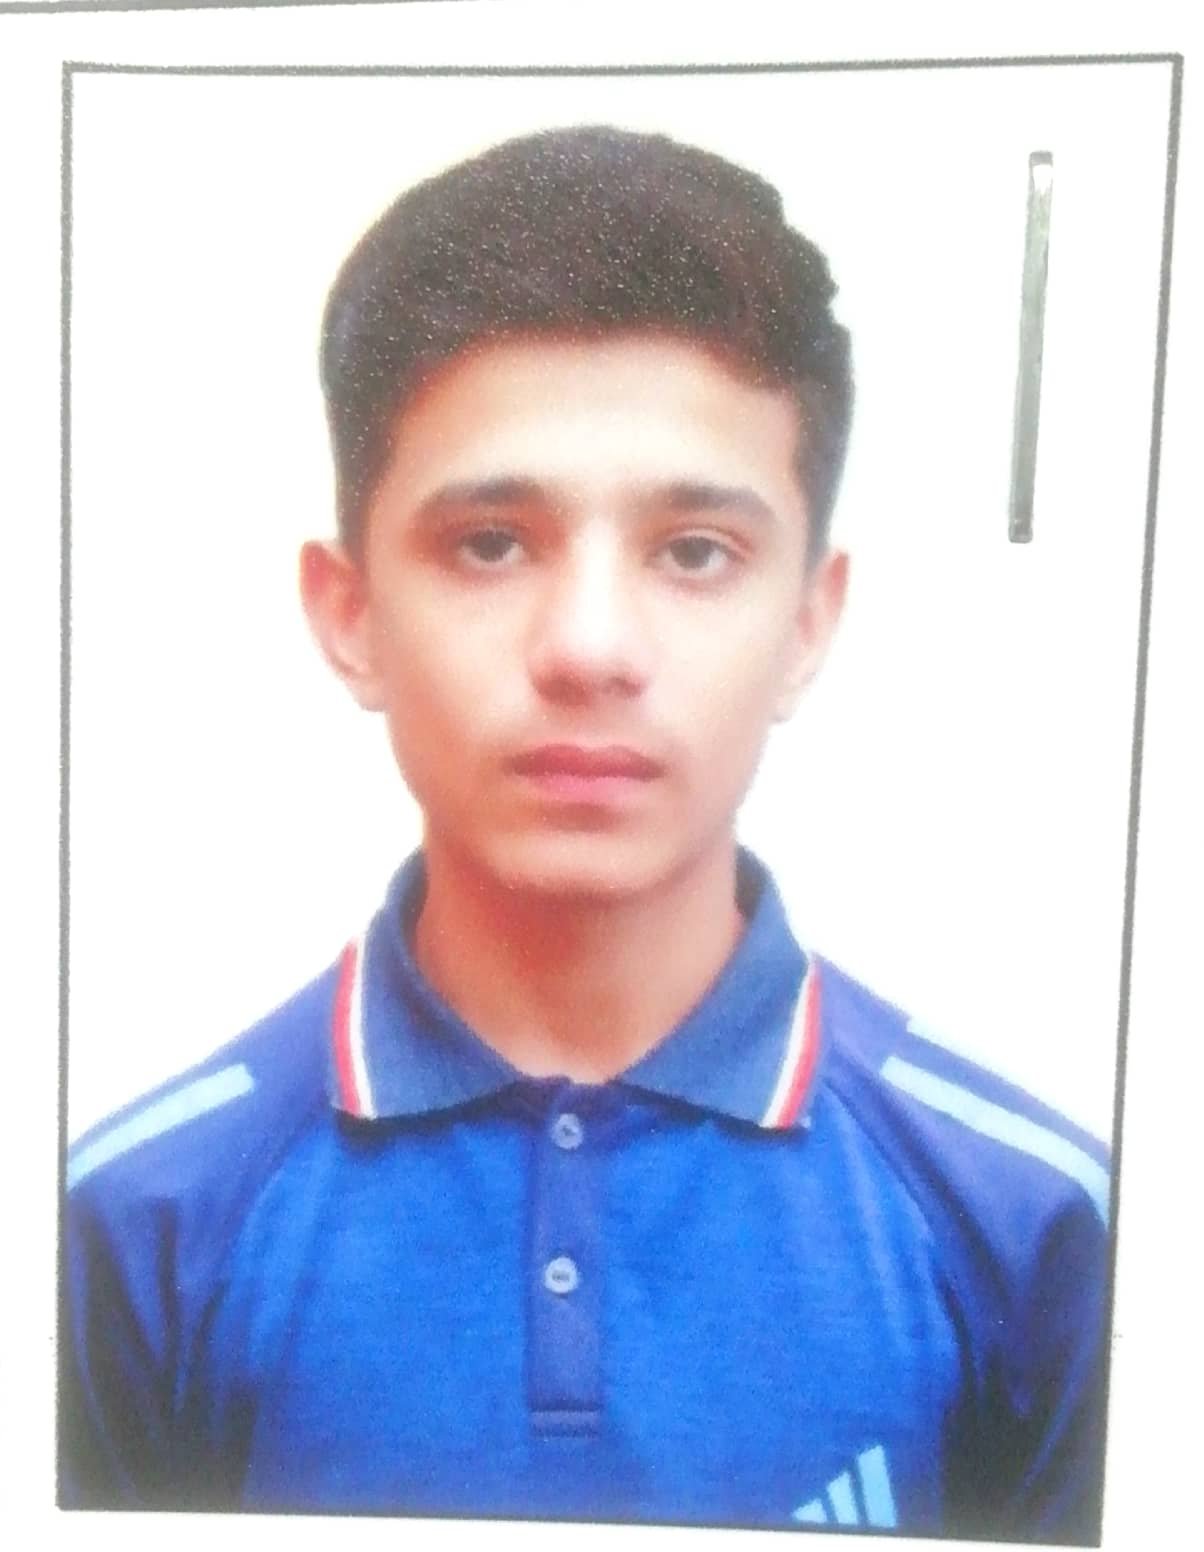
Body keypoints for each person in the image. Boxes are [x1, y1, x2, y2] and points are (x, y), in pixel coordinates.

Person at [62, 124, 1112, 1540]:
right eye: (491, 542)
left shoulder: (1042, 1226)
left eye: (696, 552)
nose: (591, 648)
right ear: (350, 614)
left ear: (809, 626)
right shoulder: (128, 1229)